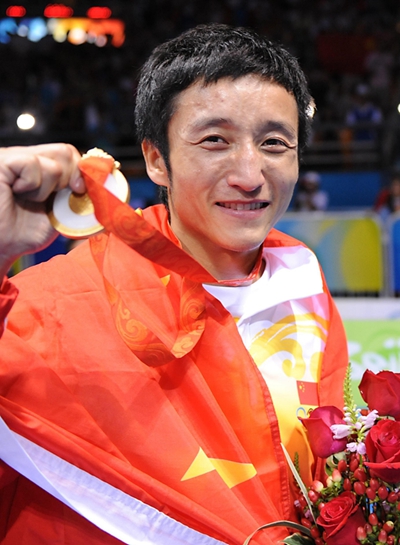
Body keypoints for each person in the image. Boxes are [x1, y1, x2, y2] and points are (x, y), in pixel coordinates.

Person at [0, 24, 348, 545]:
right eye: (215, 141)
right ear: (156, 160)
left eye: (275, 143)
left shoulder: (300, 280)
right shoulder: (65, 299)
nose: (250, 174)